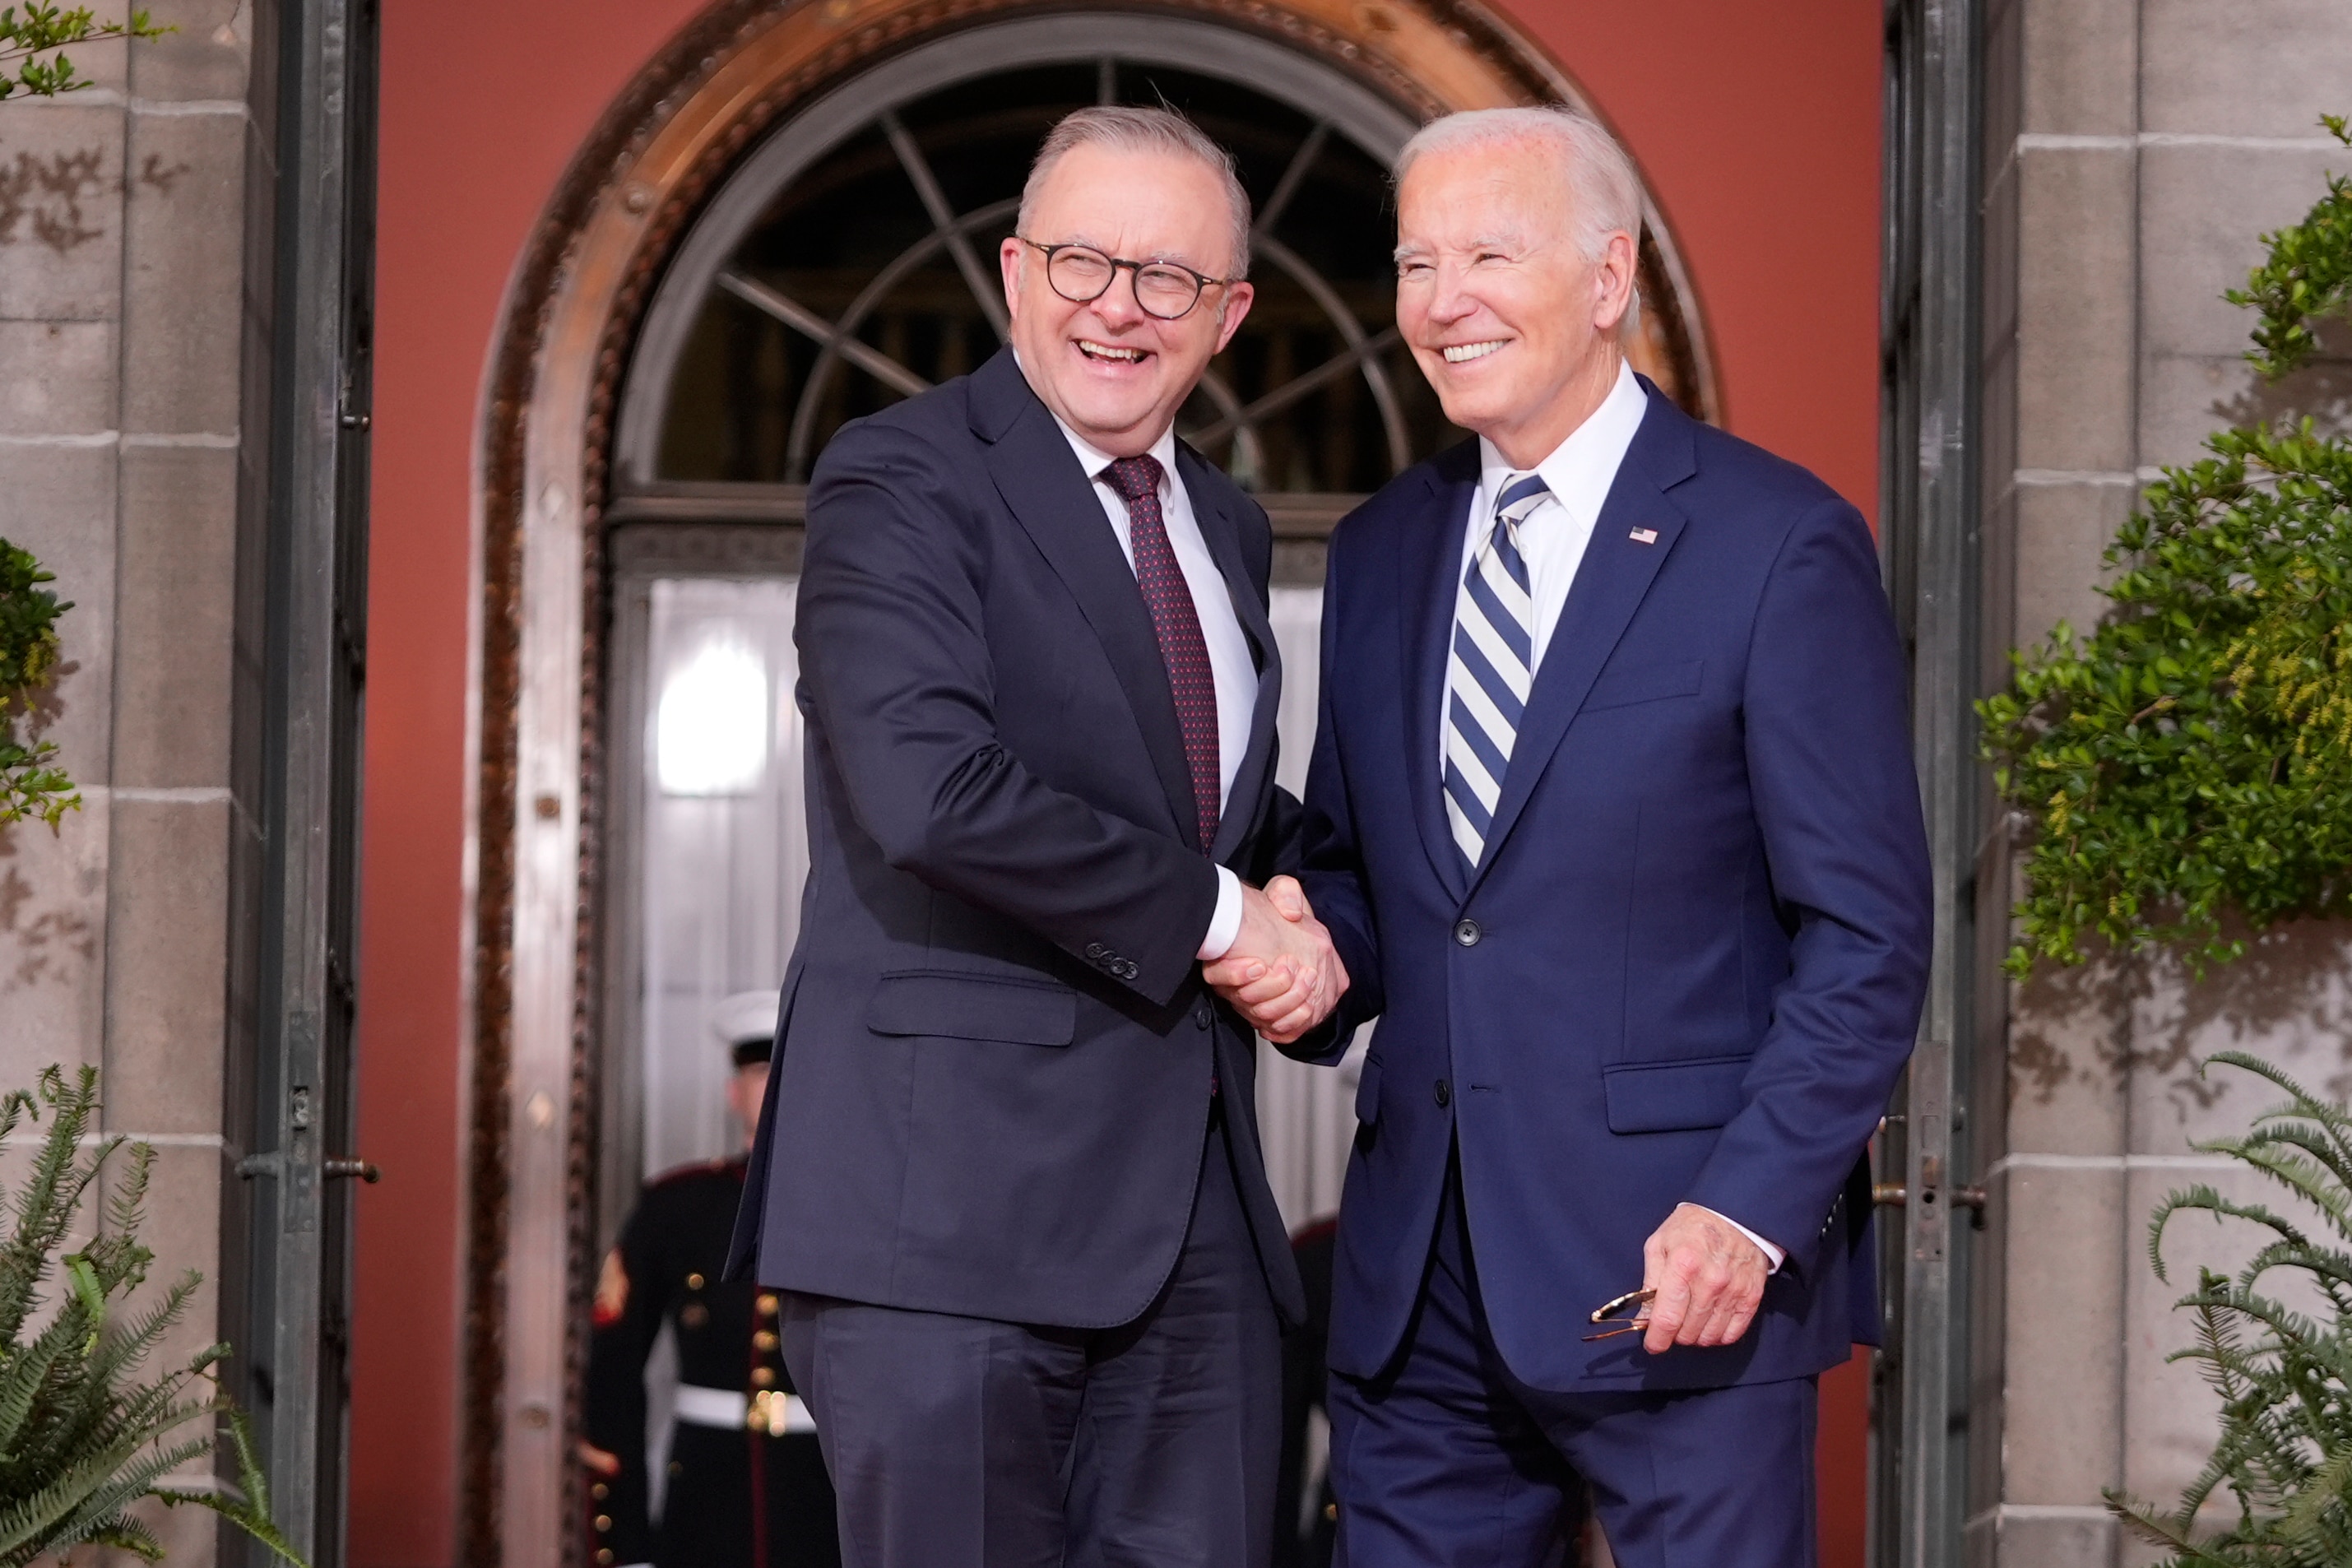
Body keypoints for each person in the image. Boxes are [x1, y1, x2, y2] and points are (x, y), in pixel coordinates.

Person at [1276, 106, 1934, 1566]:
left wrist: (1747, 1211)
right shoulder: (1379, 548)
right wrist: (1305, 946)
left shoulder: (1774, 541)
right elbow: (1366, 874)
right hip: (1416, 1295)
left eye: (1486, 256)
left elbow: (1865, 933)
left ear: (1605, 275)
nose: (1441, 301)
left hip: (1678, 1274)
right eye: (1414, 263)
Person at [722, 104, 1348, 1568]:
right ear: (1014, 272)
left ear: (1227, 314)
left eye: (1167, 276)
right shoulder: (899, 474)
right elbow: (930, 789)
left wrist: (1327, 924)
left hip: (1194, 1238)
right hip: (942, 1224)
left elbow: (1210, 811)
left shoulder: (1225, 524)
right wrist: (1228, 920)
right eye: (1081, 261)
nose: (1117, 307)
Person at [583, 990, 842, 1568]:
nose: (780, 1085)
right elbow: (613, 1376)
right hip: (705, 1495)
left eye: (796, 1069)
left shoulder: (862, 1209)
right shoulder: (677, 1206)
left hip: (829, 1500)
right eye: (762, 1070)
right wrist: (626, 1548)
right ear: (733, 1091)